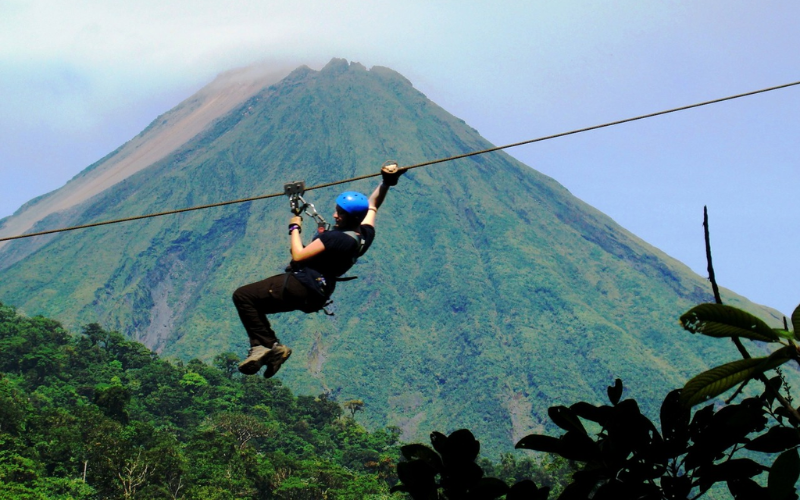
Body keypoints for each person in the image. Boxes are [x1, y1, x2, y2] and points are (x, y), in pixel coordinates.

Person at [232, 163, 403, 378]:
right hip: (317, 294)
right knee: (254, 304)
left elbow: (298, 255)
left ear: (348, 217)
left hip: (300, 284)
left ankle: (268, 346)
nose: (334, 215)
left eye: (339, 213)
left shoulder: (334, 238)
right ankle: (267, 347)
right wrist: (386, 183)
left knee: (243, 296)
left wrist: (294, 227)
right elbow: (373, 206)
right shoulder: (364, 237)